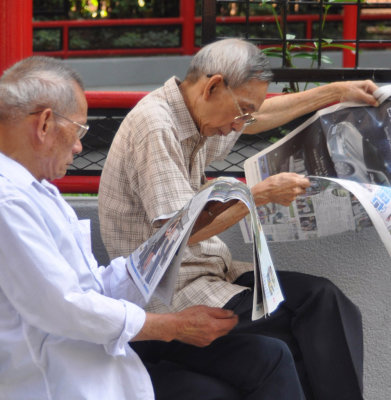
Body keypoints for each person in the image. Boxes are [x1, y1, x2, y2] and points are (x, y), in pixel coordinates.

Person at [0, 56, 307, 400]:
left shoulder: (39, 191)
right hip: (58, 380)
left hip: (100, 358)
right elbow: (65, 305)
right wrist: (173, 327)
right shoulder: (8, 203)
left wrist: (154, 256)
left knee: (262, 360)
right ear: (44, 124)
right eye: (79, 129)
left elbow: (93, 284)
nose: (79, 146)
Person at [99, 38, 379, 400]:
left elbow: (258, 117)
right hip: (172, 293)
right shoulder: (156, 126)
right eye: (241, 111)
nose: (239, 125)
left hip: (213, 272)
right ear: (213, 86)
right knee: (302, 335)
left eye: (245, 115)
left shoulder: (200, 116)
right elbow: (179, 235)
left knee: (325, 301)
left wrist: (337, 92)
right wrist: (256, 196)